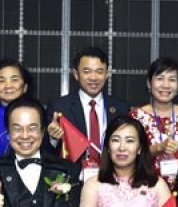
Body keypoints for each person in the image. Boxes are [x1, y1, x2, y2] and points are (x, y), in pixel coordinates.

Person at [46, 46, 131, 181]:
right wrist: (53, 138)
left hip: (112, 180)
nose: (93, 77)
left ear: (107, 74)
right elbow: (47, 152)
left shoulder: (120, 108)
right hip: (72, 182)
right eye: (87, 71)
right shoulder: (60, 107)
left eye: (99, 71)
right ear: (76, 74)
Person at [130, 57, 178, 191]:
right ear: (149, 83)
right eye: (160, 78)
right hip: (145, 189)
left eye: (172, 80)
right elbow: (129, 157)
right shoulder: (136, 117)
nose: (166, 85)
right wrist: (158, 148)